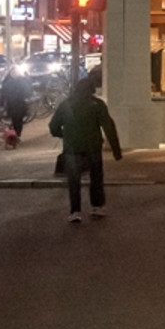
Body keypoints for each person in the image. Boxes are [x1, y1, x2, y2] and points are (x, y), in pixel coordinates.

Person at [49, 70, 122, 223]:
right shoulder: (97, 104)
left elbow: (53, 126)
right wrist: (116, 150)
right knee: (96, 177)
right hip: (93, 146)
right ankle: (97, 206)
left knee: (74, 180)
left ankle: (76, 211)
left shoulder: (66, 104)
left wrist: (64, 135)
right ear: (92, 89)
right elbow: (109, 127)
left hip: (72, 148)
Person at [1, 67, 32, 147]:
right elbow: (3, 93)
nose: (14, 74)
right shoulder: (8, 82)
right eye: (13, 72)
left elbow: (27, 90)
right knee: (15, 120)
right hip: (12, 104)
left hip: (19, 103)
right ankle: (15, 135)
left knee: (18, 120)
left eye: (15, 72)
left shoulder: (21, 81)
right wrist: (2, 102)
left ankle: (16, 135)